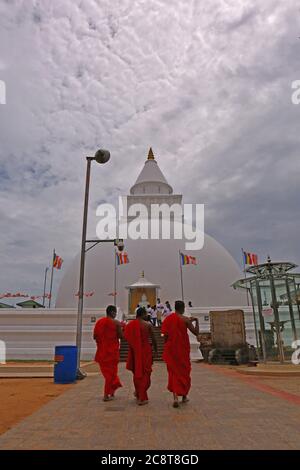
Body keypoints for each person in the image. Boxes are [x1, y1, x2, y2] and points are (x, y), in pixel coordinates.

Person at [161, 300, 199, 408]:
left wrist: (166, 347)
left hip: (171, 350)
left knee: (173, 373)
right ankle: (184, 396)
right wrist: (196, 321)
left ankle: (175, 398)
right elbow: (196, 333)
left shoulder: (168, 319)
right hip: (182, 350)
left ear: (175, 307)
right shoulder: (185, 319)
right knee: (184, 372)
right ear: (182, 308)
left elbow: (164, 335)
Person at [124, 307, 158, 405]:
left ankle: (138, 392)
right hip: (146, 351)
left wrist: (135, 345)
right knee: (146, 373)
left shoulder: (130, 325)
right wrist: (156, 350)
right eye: (146, 314)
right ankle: (142, 397)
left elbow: (126, 337)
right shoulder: (148, 325)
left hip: (134, 352)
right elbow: (154, 339)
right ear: (143, 314)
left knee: (137, 373)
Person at [93, 305, 123, 402]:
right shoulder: (116, 323)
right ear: (112, 312)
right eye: (115, 312)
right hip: (112, 352)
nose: (115, 314)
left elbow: (95, 336)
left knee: (109, 374)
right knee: (112, 374)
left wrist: (102, 342)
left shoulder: (99, 322)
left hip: (102, 352)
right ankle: (106, 395)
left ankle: (111, 392)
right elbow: (121, 336)